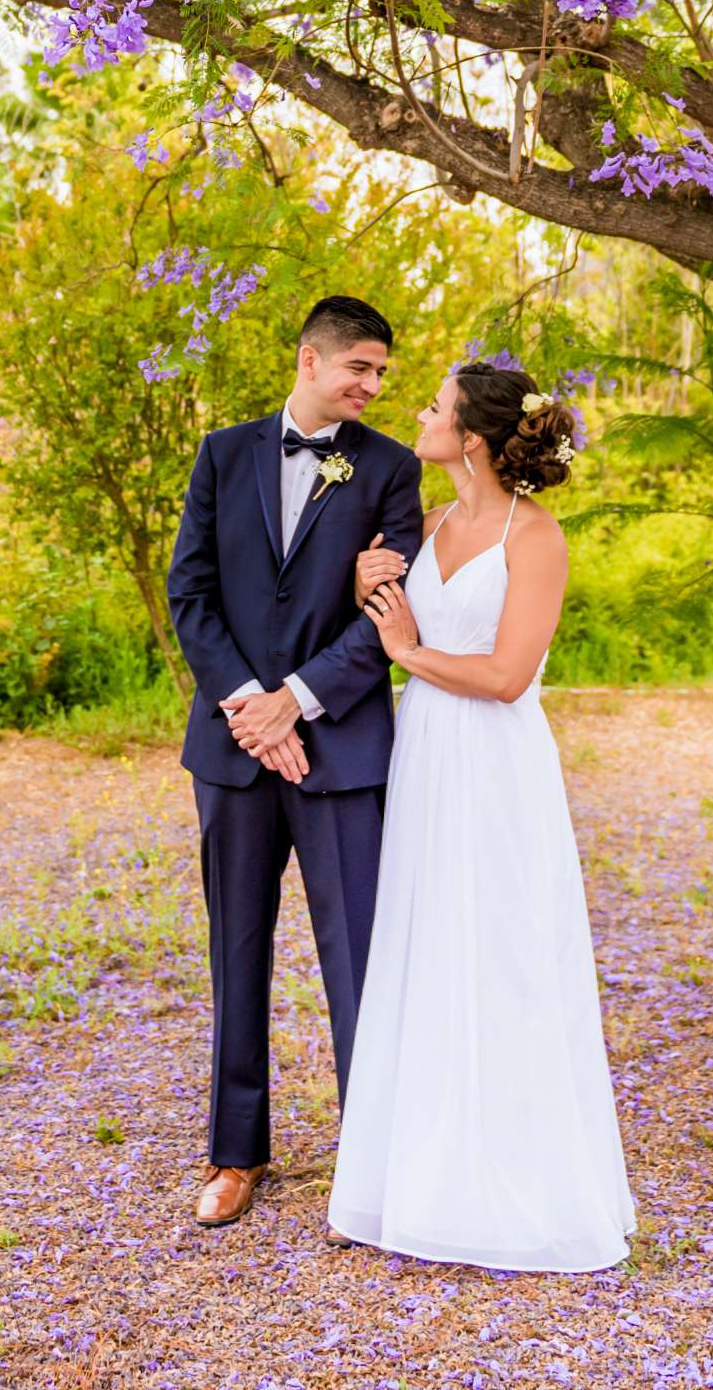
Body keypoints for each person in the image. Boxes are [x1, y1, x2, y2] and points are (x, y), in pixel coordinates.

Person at [327, 360, 635, 1271]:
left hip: (495, 768)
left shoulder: (533, 537)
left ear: (469, 437)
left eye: (432, 405)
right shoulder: (421, 530)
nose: (416, 412)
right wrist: (369, 592)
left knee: (500, 950)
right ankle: (422, 1179)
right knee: (427, 947)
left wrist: (402, 649)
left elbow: (504, 678)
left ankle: (517, 1183)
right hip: (423, 758)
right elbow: (391, 623)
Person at [166, 295, 424, 1228]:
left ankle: (374, 1155)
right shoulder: (222, 455)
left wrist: (297, 701)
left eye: (381, 374)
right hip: (234, 753)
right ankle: (235, 1156)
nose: (371, 385)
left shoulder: (391, 470)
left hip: (340, 746)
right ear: (308, 359)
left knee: (356, 956)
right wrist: (250, 708)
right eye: (359, 367)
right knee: (236, 950)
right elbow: (189, 592)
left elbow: (389, 616)